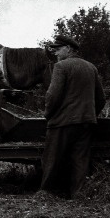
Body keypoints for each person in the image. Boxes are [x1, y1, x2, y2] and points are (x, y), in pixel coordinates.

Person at [39, 35, 105, 199]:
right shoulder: (91, 67)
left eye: (58, 49)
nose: (56, 54)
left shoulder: (61, 66)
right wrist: (90, 114)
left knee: (52, 159)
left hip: (62, 122)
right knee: (80, 160)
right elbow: (101, 99)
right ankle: (78, 194)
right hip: (86, 123)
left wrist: (47, 114)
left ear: (69, 48)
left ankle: (47, 194)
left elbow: (52, 96)